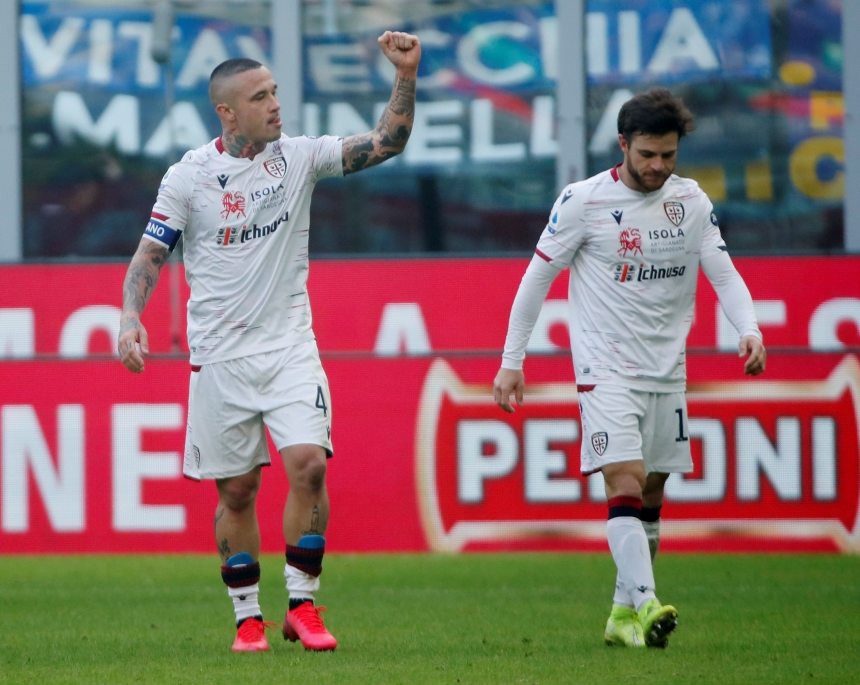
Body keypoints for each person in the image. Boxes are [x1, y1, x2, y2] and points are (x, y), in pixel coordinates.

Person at [117, 31, 421, 652]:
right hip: (221, 359)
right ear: (227, 112)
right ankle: (247, 614)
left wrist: (406, 75)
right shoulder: (190, 177)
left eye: (276, 91)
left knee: (308, 465)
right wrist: (130, 317)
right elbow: (152, 251)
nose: (276, 104)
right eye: (261, 97)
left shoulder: (300, 156)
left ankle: (303, 606)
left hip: (289, 348)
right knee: (237, 491)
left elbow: (389, 142)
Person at [492, 87, 767, 649]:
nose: (658, 166)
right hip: (604, 366)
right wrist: (511, 361)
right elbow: (536, 281)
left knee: (652, 489)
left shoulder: (689, 202)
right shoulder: (582, 200)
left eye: (668, 155)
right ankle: (646, 604)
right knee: (625, 478)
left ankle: (620, 614)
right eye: (647, 154)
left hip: (667, 369)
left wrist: (749, 329)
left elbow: (723, 271)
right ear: (623, 144)